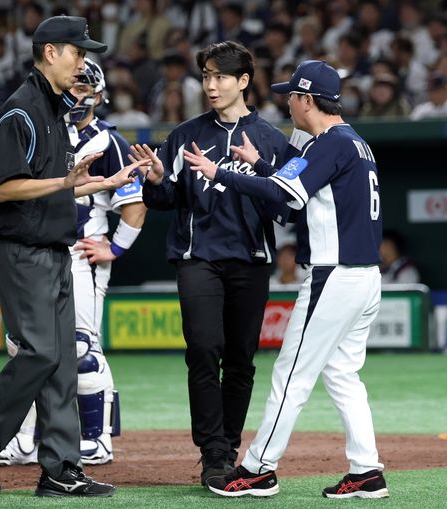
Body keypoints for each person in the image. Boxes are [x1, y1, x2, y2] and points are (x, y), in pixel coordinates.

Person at [0, 16, 149, 498]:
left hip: (54, 249)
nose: (82, 62)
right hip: (23, 250)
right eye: (78, 52)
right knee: (39, 353)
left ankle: (61, 468)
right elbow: (6, 187)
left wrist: (103, 183)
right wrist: (66, 181)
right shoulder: (22, 110)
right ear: (51, 52)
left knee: (61, 361)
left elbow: (58, 185)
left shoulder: (54, 109)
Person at [184, 60, 389, 499]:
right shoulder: (353, 142)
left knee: (290, 374)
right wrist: (260, 164)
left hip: (334, 276)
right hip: (365, 277)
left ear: (307, 100)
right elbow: (293, 189)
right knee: (342, 374)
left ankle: (259, 468)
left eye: (291, 96)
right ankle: (367, 470)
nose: (287, 103)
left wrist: (219, 173)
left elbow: (283, 195)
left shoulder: (328, 144)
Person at [130, 40, 290, 487]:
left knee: (240, 360)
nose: (211, 85)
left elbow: (287, 205)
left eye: (220, 76)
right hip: (197, 258)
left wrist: (259, 171)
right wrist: (156, 181)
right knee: (203, 349)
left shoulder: (271, 140)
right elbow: (164, 198)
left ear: (244, 81)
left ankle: (229, 445)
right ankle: (213, 452)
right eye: (206, 76)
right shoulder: (184, 135)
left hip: (250, 260)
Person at [0, 58, 147, 467]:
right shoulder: (49, 130)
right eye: (73, 88)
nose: (77, 97)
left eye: (84, 90)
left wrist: (115, 248)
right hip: (40, 251)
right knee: (24, 347)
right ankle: (25, 440)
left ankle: (96, 439)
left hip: (80, 253)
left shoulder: (108, 141)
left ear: (99, 95)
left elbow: (134, 204)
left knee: (80, 348)